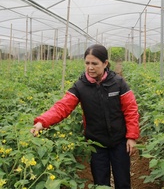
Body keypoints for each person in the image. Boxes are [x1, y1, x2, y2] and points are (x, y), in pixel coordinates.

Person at [30, 44, 140, 188]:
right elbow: (62, 107)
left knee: (123, 180)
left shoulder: (118, 83)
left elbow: (131, 109)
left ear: (105, 63)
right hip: (95, 143)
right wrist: (41, 123)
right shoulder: (80, 86)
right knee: (100, 182)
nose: (90, 67)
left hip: (119, 140)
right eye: (87, 63)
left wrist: (131, 137)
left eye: (95, 63)